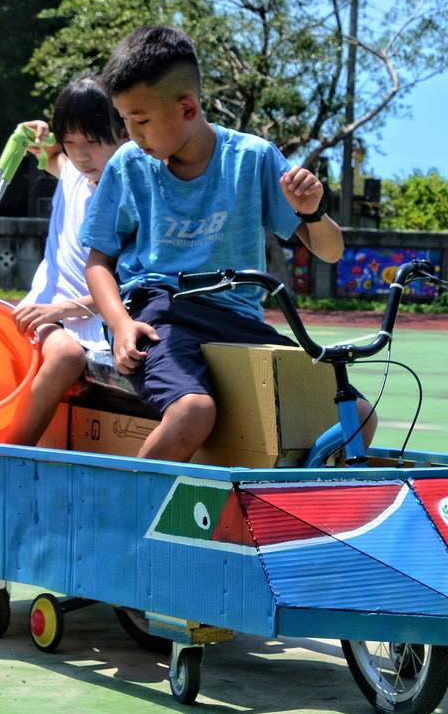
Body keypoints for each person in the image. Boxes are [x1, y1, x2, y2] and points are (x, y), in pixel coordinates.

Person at [80, 26, 377, 463]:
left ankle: (297, 507)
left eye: (140, 120)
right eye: (124, 120)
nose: (132, 133)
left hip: (237, 318)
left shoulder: (253, 158)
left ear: (187, 108)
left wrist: (313, 211)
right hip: (157, 309)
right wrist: (121, 324)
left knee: (360, 416)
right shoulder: (130, 165)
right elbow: (98, 261)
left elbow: (330, 251)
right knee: (194, 411)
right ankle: (133, 517)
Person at [7, 75, 127, 446]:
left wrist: (65, 309)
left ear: (125, 135)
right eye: (71, 143)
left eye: (92, 142)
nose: (82, 155)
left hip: (98, 324)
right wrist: (33, 134)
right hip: (46, 313)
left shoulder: (132, 199)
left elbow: (121, 290)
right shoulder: (74, 173)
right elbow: (46, 153)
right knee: (66, 355)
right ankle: (11, 451)